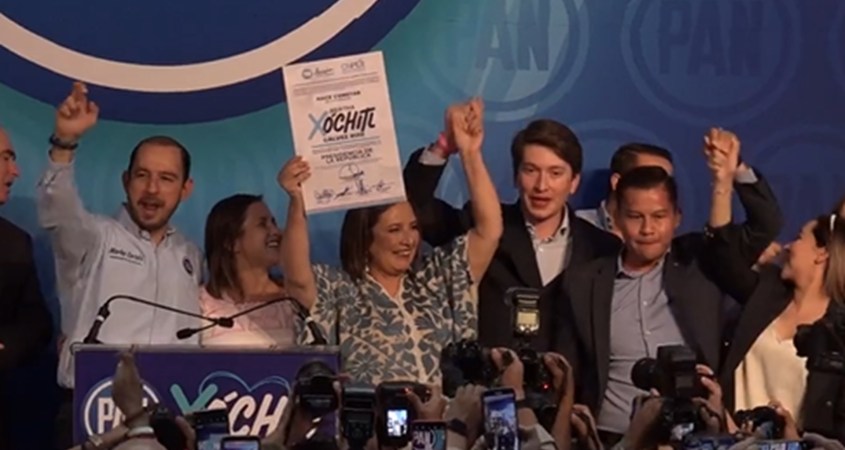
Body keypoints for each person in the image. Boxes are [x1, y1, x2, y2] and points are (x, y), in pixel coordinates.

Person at [553, 128, 783, 445]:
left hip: (694, 437)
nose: (647, 229)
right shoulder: (583, 283)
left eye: (659, 216)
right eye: (635, 216)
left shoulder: (702, 263)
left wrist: (732, 173)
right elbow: (567, 373)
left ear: (677, 218)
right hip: (612, 437)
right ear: (616, 217)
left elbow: (766, 224)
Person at [281, 99, 502, 384]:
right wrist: (297, 200)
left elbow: (489, 231)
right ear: (365, 236)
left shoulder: (435, 278)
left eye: (413, 227)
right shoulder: (339, 289)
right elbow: (297, 278)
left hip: (444, 413)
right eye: (394, 230)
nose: (408, 240)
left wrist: (470, 153)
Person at [36, 82, 202, 448]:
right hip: (93, 414)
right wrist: (64, 144)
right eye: (142, 175)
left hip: (166, 421)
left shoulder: (190, 254)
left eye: (166, 178)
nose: (152, 189)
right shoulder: (93, 236)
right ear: (126, 181)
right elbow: (58, 210)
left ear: (186, 189)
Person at [403, 104, 620, 350]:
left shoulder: (603, 248)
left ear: (574, 182)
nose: (542, 186)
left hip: (570, 375)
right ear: (516, 176)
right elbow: (413, 208)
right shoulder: (480, 226)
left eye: (555, 173)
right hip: (492, 373)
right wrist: (444, 147)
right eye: (531, 170)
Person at [705, 139, 845, 442]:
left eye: (800, 238)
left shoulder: (838, 330)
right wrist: (723, 182)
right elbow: (722, 255)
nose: (789, 246)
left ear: (822, 253)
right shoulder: (766, 292)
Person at [199, 194, 311, 347]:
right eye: (262, 224)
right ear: (231, 243)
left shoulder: (293, 299)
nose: (276, 231)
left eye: (273, 222)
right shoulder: (201, 304)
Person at [0, 127, 53, 447]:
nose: (15, 171)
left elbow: (37, 322)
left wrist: (4, 346)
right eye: (5, 158)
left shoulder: (15, 243)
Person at [576, 143, 674, 238]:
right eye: (647, 179)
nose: (660, 187)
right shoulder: (578, 226)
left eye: (666, 181)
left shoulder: (667, 234)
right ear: (617, 182)